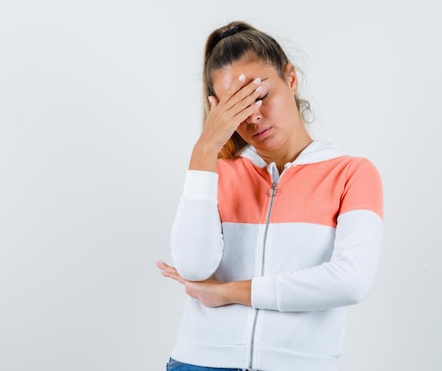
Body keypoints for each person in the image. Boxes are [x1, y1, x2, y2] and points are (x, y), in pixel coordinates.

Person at [156, 21, 384, 371]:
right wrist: (204, 151)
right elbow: (193, 267)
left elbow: (351, 281)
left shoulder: (351, 173)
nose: (253, 116)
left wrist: (229, 292)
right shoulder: (216, 173)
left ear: (290, 78)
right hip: (199, 362)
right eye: (235, 107)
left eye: (259, 96)